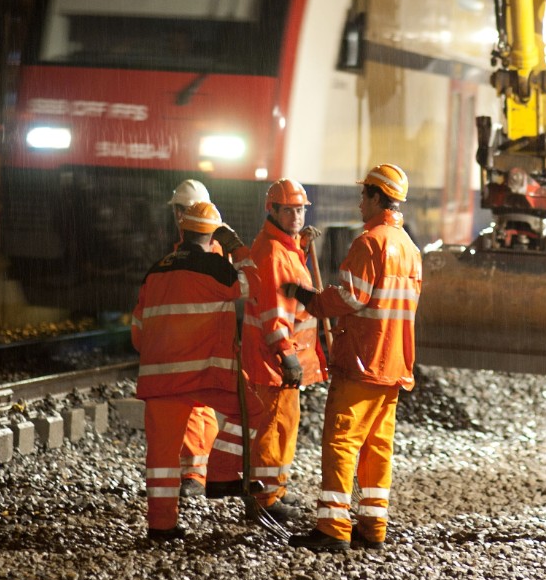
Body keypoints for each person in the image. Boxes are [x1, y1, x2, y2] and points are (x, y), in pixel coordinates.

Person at [282, 163, 422, 552]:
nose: (360, 202)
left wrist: (309, 298)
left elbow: (350, 297)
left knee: (342, 442)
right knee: (377, 447)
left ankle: (333, 527)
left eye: (364, 195)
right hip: (393, 365)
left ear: (378, 198)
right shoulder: (409, 248)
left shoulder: (369, 243)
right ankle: (373, 525)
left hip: (362, 361)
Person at [131, 200, 251, 540]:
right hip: (201, 376)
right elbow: (252, 283)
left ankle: (161, 527)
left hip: (159, 380)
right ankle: (223, 474)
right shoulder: (215, 267)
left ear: (181, 231)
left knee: (162, 458)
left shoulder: (155, 270)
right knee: (255, 413)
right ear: (213, 234)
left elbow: (138, 330)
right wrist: (238, 248)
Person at [239, 178, 328, 521]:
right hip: (275, 360)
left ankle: (273, 492)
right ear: (272, 210)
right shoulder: (275, 253)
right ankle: (265, 501)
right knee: (273, 429)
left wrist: (301, 246)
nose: (296, 216)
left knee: (282, 427)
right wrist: (286, 355)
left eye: (301, 209)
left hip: (278, 359)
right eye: (288, 210)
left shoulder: (283, 246)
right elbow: (274, 312)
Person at [166, 179, 223, 498]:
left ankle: (195, 474)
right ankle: (200, 471)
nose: (179, 218)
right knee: (199, 408)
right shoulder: (193, 250)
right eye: (178, 211)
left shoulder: (207, 254)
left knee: (195, 407)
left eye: (184, 211)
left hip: (199, 345)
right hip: (193, 343)